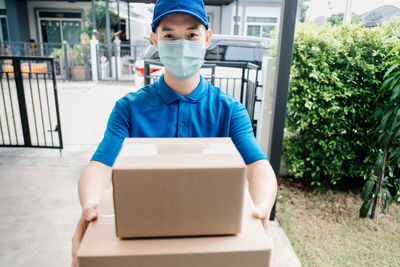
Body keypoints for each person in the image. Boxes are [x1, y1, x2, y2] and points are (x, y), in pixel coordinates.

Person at [71, 0, 277, 266]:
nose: (181, 44)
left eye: (192, 34)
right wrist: (90, 206)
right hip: (145, 237)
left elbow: (258, 165)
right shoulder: (130, 109)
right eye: (169, 35)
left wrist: (261, 208)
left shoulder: (229, 110)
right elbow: (100, 166)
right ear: (155, 40)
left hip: (210, 239)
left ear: (207, 39)